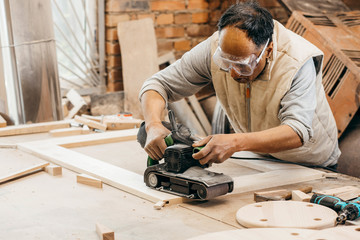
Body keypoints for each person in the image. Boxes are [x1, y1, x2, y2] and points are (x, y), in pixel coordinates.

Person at [139, 1, 340, 168]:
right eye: (226, 63)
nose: (233, 73)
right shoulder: (218, 46)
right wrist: (153, 125)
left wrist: (235, 142)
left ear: (268, 51)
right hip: (260, 158)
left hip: (309, 163)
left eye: (242, 65)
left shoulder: (297, 60)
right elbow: (158, 84)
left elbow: (297, 131)